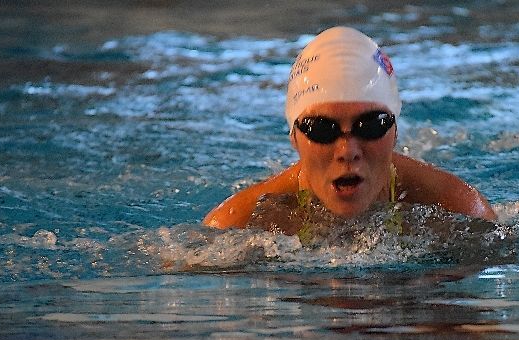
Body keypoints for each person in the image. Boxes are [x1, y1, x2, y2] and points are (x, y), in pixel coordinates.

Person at [203, 26, 496, 232]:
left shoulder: (458, 210)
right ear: (294, 137)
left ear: (395, 131)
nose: (347, 151)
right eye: (321, 129)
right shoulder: (238, 224)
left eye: (370, 126)